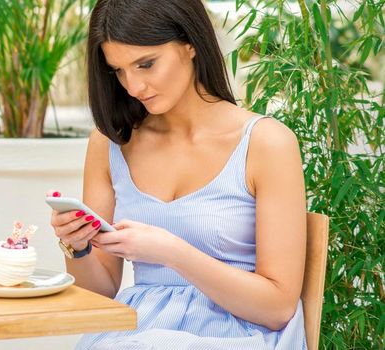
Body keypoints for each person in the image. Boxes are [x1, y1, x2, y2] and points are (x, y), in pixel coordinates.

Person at [50, 0, 307, 349]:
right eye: (118, 71)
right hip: (135, 331)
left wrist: (172, 252)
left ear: (190, 44)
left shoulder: (266, 143)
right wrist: (76, 247)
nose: (134, 87)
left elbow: (277, 308)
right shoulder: (111, 143)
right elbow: (100, 292)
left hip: (235, 331)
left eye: (146, 64)